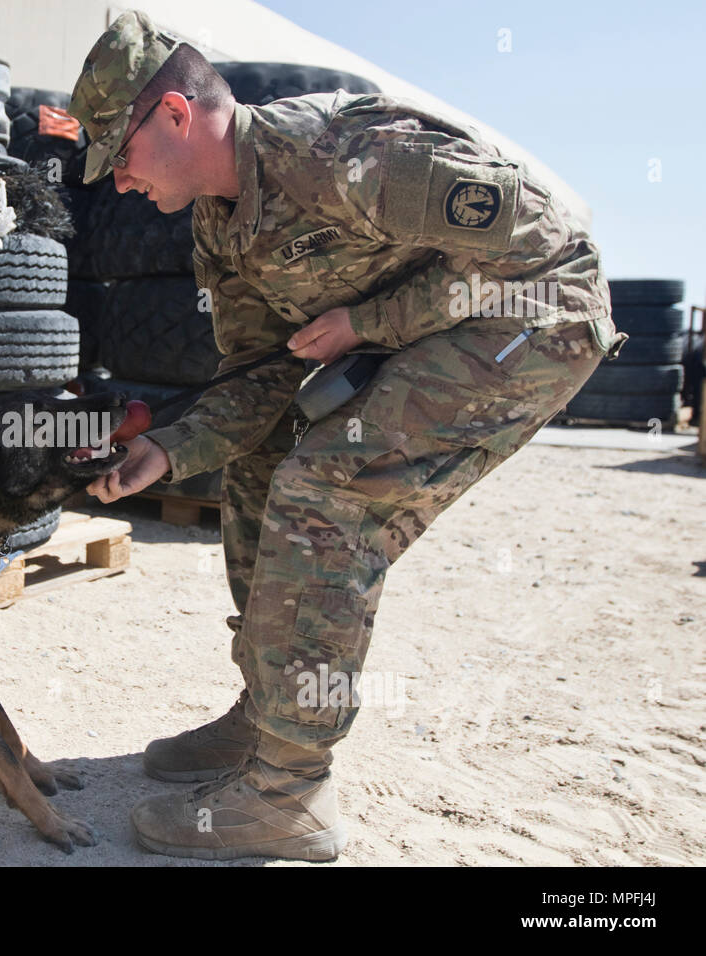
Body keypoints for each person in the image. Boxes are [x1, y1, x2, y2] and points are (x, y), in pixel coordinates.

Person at [67, 10, 624, 861]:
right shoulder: (220, 226)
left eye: (121, 157)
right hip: (433, 332)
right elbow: (258, 378)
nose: (119, 184)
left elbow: (547, 248)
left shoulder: (341, 154)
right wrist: (172, 449)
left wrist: (369, 319)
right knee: (259, 466)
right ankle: (266, 713)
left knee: (326, 486)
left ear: (176, 115)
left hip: (534, 317)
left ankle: (290, 791)